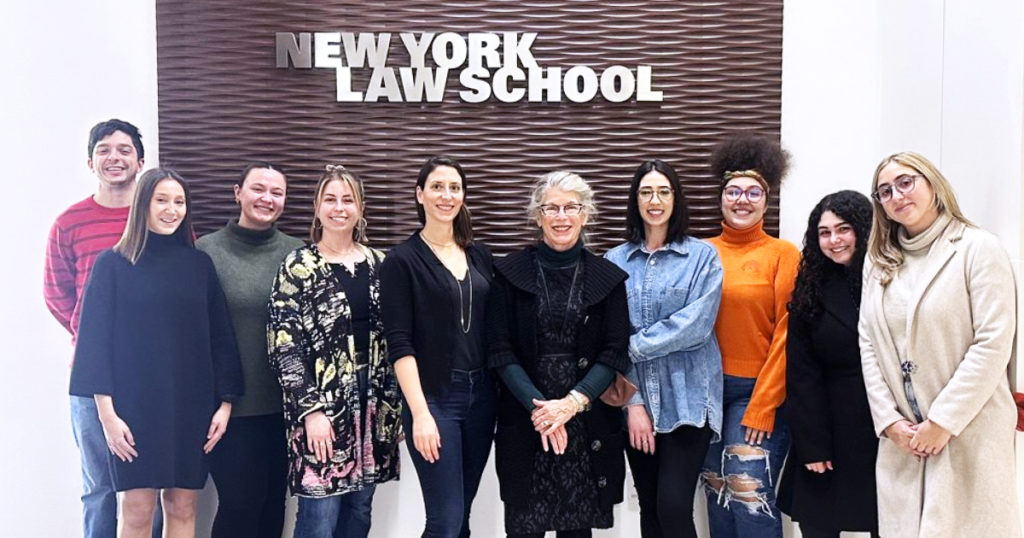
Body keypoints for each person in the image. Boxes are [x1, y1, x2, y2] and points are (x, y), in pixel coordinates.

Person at [69, 168, 244, 538]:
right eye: (161, 200)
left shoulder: (199, 265)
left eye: (179, 201)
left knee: (183, 506)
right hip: (132, 410)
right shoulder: (112, 264)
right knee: (136, 509)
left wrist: (225, 404)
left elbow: (221, 337)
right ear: (142, 205)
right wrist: (107, 416)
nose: (171, 210)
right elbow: (94, 344)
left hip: (191, 406)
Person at [859, 152, 1021, 537]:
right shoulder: (879, 262)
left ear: (932, 183)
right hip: (904, 438)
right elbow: (868, 342)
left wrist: (943, 422)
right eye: (885, 191)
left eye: (906, 182)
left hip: (969, 430)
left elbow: (992, 342)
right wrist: (889, 421)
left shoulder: (977, 248)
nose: (897, 195)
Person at [488, 170, 630, 538]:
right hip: (526, 419)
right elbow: (500, 351)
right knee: (523, 529)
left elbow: (615, 352)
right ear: (538, 216)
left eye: (571, 207)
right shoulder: (507, 273)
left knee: (577, 531)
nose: (561, 217)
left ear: (586, 214)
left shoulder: (609, 278)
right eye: (551, 208)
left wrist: (569, 405)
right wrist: (543, 411)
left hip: (583, 421)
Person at [268, 164, 402, 537]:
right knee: (320, 511)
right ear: (316, 206)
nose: (339, 208)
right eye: (330, 199)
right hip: (322, 402)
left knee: (360, 509)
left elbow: (399, 339)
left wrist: (397, 410)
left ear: (360, 208)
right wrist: (310, 411)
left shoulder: (380, 264)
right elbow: (284, 346)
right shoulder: (298, 266)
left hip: (374, 400)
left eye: (348, 200)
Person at [604, 160, 723, 538]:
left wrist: (631, 347)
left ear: (676, 199)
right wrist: (632, 404)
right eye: (645, 192)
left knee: (673, 507)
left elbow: (696, 326)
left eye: (663, 191)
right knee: (651, 510)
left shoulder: (702, 257)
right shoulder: (615, 260)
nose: (654, 200)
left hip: (690, 400)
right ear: (635, 200)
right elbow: (610, 333)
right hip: (638, 405)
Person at [380, 156, 496, 537]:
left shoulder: (479, 255)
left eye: (454, 188)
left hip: (482, 399)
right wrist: (421, 413)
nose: (446, 195)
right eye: (437, 187)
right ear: (420, 194)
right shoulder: (401, 261)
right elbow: (399, 343)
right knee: (444, 521)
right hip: (434, 400)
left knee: (461, 517)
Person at [44, 119, 147, 538]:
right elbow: (57, 294)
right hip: (90, 376)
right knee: (99, 487)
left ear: (140, 162)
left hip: (148, 373)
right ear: (91, 161)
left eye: (124, 150)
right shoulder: (69, 222)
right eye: (105, 150)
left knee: (147, 485)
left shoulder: (160, 219)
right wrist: (93, 338)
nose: (114, 157)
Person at [196, 162, 303, 538]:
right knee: (240, 507)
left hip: (286, 410)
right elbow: (192, 334)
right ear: (237, 192)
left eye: (277, 192)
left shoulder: (298, 254)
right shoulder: (205, 251)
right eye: (258, 189)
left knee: (274, 506)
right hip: (230, 410)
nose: (267, 199)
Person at [699, 134, 799, 538]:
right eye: (734, 191)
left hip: (755, 391)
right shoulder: (700, 251)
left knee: (749, 496)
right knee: (717, 493)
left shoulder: (783, 254)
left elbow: (788, 334)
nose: (742, 200)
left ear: (767, 198)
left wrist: (763, 404)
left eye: (753, 192)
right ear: (721, 196)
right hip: (704, 394)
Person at [776, 191, 878, 538]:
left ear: (864, 229)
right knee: (819, 523)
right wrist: (812, 445)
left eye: (843, 229)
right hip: (828, 428)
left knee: (891, 522)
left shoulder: (891, 280)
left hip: (885, 428)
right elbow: (802, 375)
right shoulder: (811, 288)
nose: (834, 240)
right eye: (824, 232)